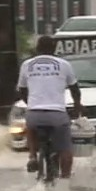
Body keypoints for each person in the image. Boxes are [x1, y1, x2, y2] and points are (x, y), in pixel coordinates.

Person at [17, 35, 84, 181]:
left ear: (37, 48)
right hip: (57, 115)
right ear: (54, 49)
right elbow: (75, 89)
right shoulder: (64, 64)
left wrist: (31, 104)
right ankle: (65, 180)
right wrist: (78, 106)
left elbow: (22, 90)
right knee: (66, 149)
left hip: (34, 113)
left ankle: (33, 155)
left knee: (31, 126)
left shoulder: (26, 64)